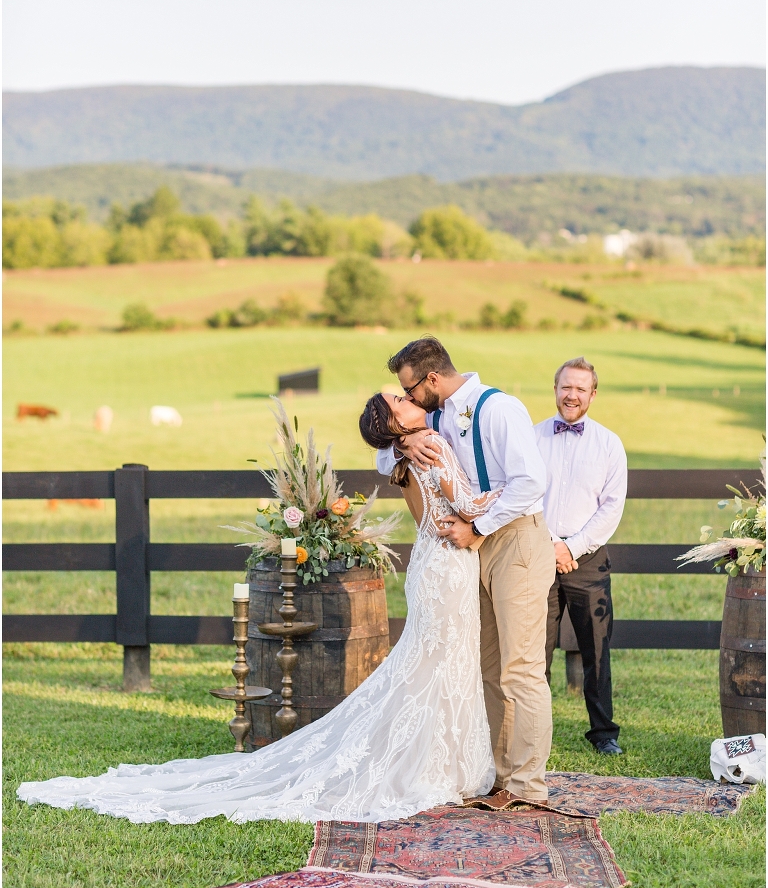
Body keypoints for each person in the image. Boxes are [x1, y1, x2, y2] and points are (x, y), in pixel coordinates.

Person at [17, 394, 497, 825]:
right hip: (448, 564)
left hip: (434, 567)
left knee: (433, 665)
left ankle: (435, 759)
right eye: (401, 399)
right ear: (397, 423)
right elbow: (459, 507)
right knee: (438, 664)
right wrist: (515, 494)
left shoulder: (405, 454)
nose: (410, 396)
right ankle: (435, 764)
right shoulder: (429, 442)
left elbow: (423, 503)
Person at [376, 336, 554, 805]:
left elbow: (532, 481)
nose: (409, 398)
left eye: (410, 390)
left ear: (432, 379)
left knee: (522, 669)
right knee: (487, 667)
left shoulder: (498, 409)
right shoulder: (431, 416)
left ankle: (526, 786)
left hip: (513, 538)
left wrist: (479, 527)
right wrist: (402, 448)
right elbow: (380, 451)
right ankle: (496, 774)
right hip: (465, 551)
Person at [534, 356, 627, 756]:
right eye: (565, 387)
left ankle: (604, 733)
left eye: (580, 388)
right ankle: (532, 732)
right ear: (555, 389)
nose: (571, 395)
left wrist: (569, 548)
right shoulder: (531, 438)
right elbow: (524, 495)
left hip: (587, 560)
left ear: (592, 394)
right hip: (536, 553)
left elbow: (611, 508)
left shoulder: (609, 444)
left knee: (597, 649)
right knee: (533, 651)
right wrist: (551, 544)